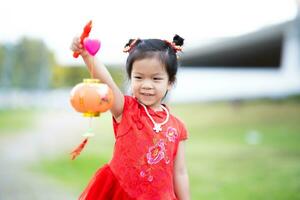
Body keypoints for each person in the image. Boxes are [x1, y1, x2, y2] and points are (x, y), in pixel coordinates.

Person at [70, 34, 190, 200]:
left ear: (170, 82)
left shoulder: (177, 127)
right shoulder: (126, 109)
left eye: (156, 78)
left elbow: (180, 172)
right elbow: (107, 82)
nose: (147, 85)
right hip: (123, 193)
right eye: (139, 77)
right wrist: (86, 54)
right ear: (131, 78)